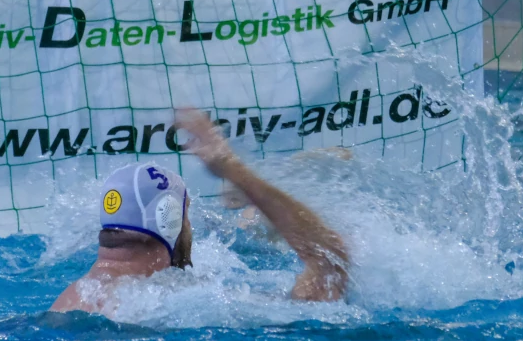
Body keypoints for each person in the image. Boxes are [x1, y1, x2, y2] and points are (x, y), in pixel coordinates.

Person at [50, 108, 349, 314]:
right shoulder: (172, 302)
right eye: (186, 216)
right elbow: (332, 265)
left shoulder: (67, 302)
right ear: (169, 220)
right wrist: (235, 172)